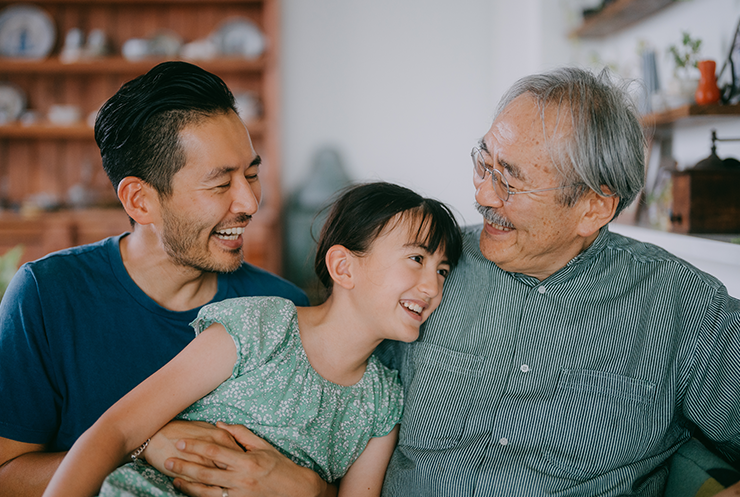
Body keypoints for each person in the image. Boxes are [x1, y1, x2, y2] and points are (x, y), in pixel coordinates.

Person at [377, 67, 740, 495]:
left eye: (511, 181)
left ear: (593, 208)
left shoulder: (686, 309)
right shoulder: (429, 264)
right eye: (484, 164)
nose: (483, 196)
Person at [0, 61, 312, 497]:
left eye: (253, 175)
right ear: (140, 200)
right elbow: (8, 476)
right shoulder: (48, 294)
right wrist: (141, 448)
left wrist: (312, 489)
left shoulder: (286, 310)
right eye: (221, 184)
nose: (249, 202)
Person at [42, 181, 463, 497]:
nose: (432, 287)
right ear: (344, 267)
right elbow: (115, 430)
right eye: (416, 259)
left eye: (442, 270)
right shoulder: (259, 326)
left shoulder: (382, 403)